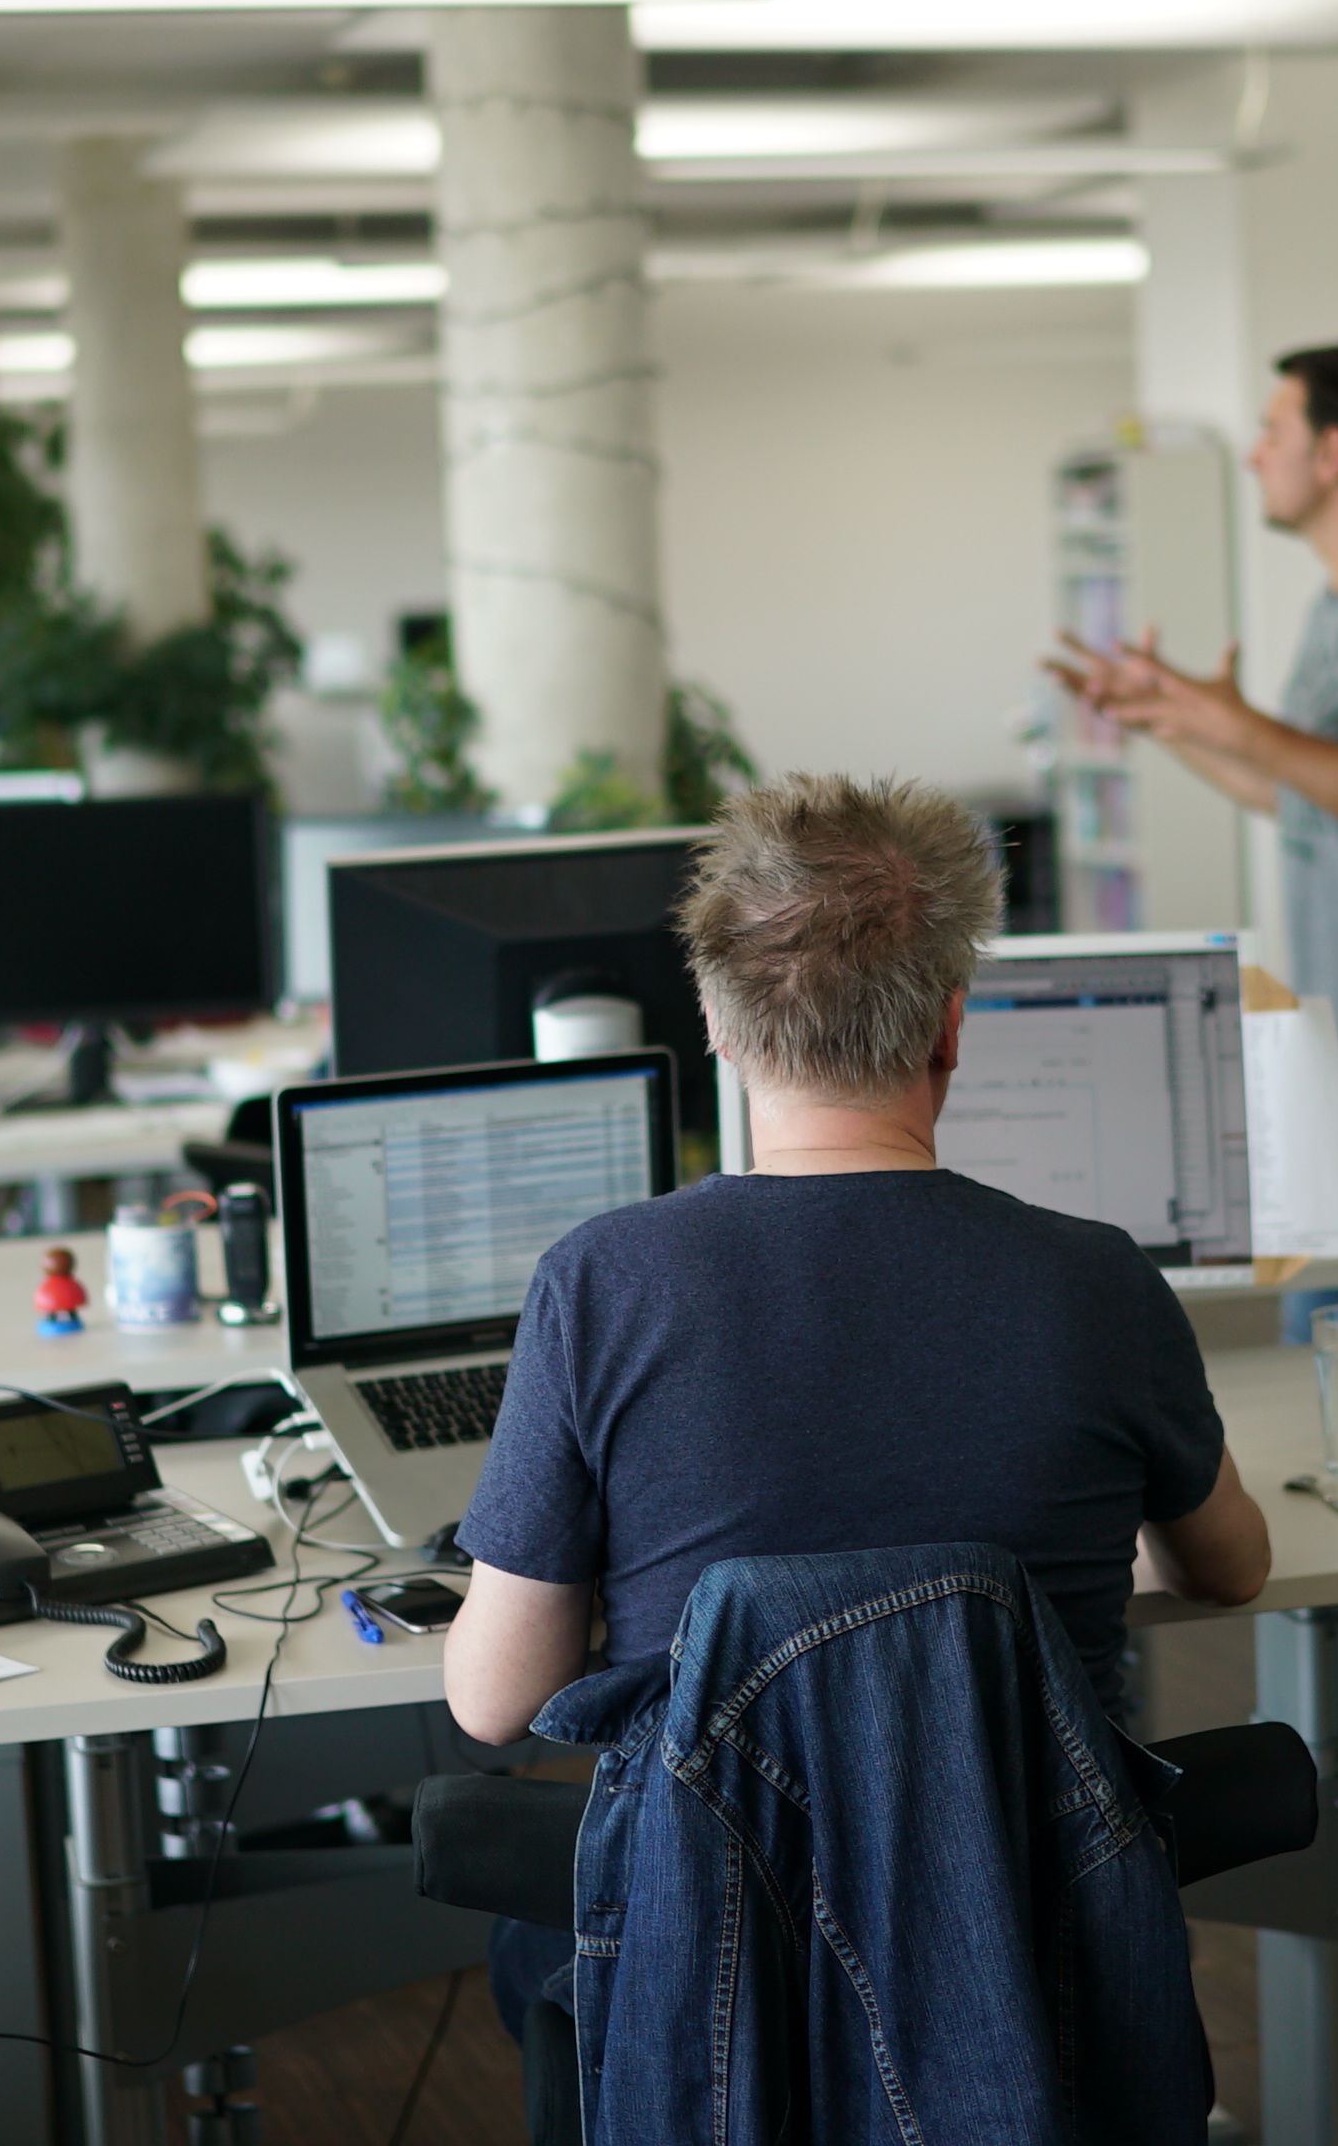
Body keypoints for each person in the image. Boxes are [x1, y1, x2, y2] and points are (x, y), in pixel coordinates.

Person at [442, 773, 1273, 2124]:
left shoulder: (603, 1284)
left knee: (531, 1944)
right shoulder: (1100, 1282)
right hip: (1037, 1955)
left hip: (711, 1977)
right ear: (952, 1026)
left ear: (718, 1026)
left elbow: (493, 1700)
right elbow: (1230, 1567)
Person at [1045, 341, 1338, 1782]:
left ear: (1335, 450)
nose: (1254, 448)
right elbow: (1306, 794)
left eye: (1272, 426)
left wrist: (1229, 716)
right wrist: (1176, 721)